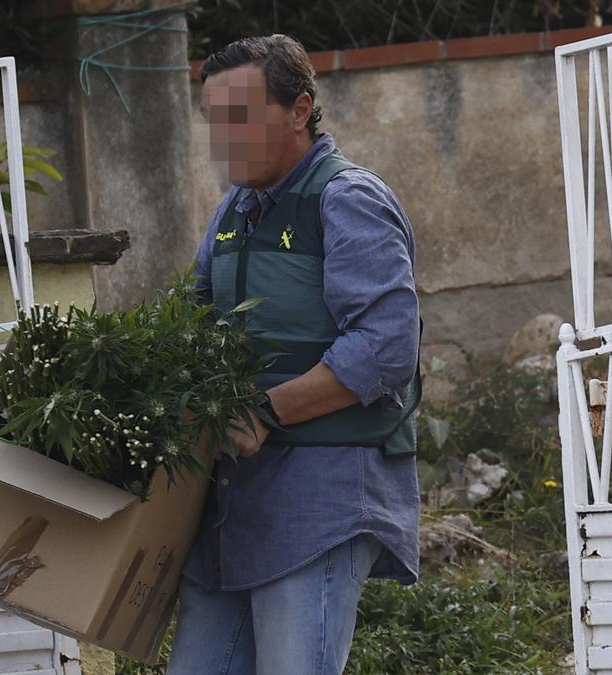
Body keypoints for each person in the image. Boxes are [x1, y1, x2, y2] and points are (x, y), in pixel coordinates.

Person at [167, 35, 421, 674]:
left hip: (322, 495)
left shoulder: (348, 199)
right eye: (213, 120)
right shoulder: (233, 211)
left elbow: (385, 347)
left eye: (240, 116)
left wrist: (264, 412)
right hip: (235, 502)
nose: (223, 138)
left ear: (299, 109)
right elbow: (188, 326)